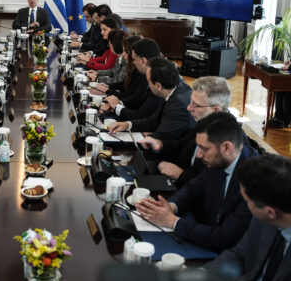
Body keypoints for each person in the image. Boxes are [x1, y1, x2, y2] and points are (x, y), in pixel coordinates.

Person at [136, 112, 257, 252]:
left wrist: (171, 221)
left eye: (204, 148)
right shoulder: (220, 159)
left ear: (227, 148)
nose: (198, 155)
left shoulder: (254, 181)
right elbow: (193, 188)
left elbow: (223, 237)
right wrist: (171, 207)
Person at [137, 76, 231, 187]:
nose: (189, 108)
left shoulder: (226, 143)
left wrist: (181, 175)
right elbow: (182, 145)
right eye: (191, 101)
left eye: (195, 104)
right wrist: (160, 144)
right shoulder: (204, 122)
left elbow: (213, 186)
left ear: (216, 110)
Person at [109, 57, 194, 142]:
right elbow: (153, 120)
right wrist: (127, 125)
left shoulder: (178, 105)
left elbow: (163, 138)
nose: (148, 86)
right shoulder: (169, 89)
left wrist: (151, 135)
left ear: (158, 86)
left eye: (148, 82)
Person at [101, 38, 163, 122]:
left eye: (134, 59)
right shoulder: (147, 73)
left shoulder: (157, 82)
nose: (133, 62)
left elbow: (141, 115)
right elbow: (136, 96)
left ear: (143, 61)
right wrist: (117, 103)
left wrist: (117, 105)